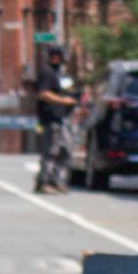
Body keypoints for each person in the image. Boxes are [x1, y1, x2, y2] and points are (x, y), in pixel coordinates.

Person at [28, 46, 85, 192]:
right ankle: (44, 182)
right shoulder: (47, 72)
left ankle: (56, 180)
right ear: (55, 57)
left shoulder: (59, 74)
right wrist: (64, 100)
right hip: (50, 119)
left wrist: (74, 98)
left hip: (62, 118)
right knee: (51, 151)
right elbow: (43, 94)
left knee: (65, 150)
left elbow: (65, 90)